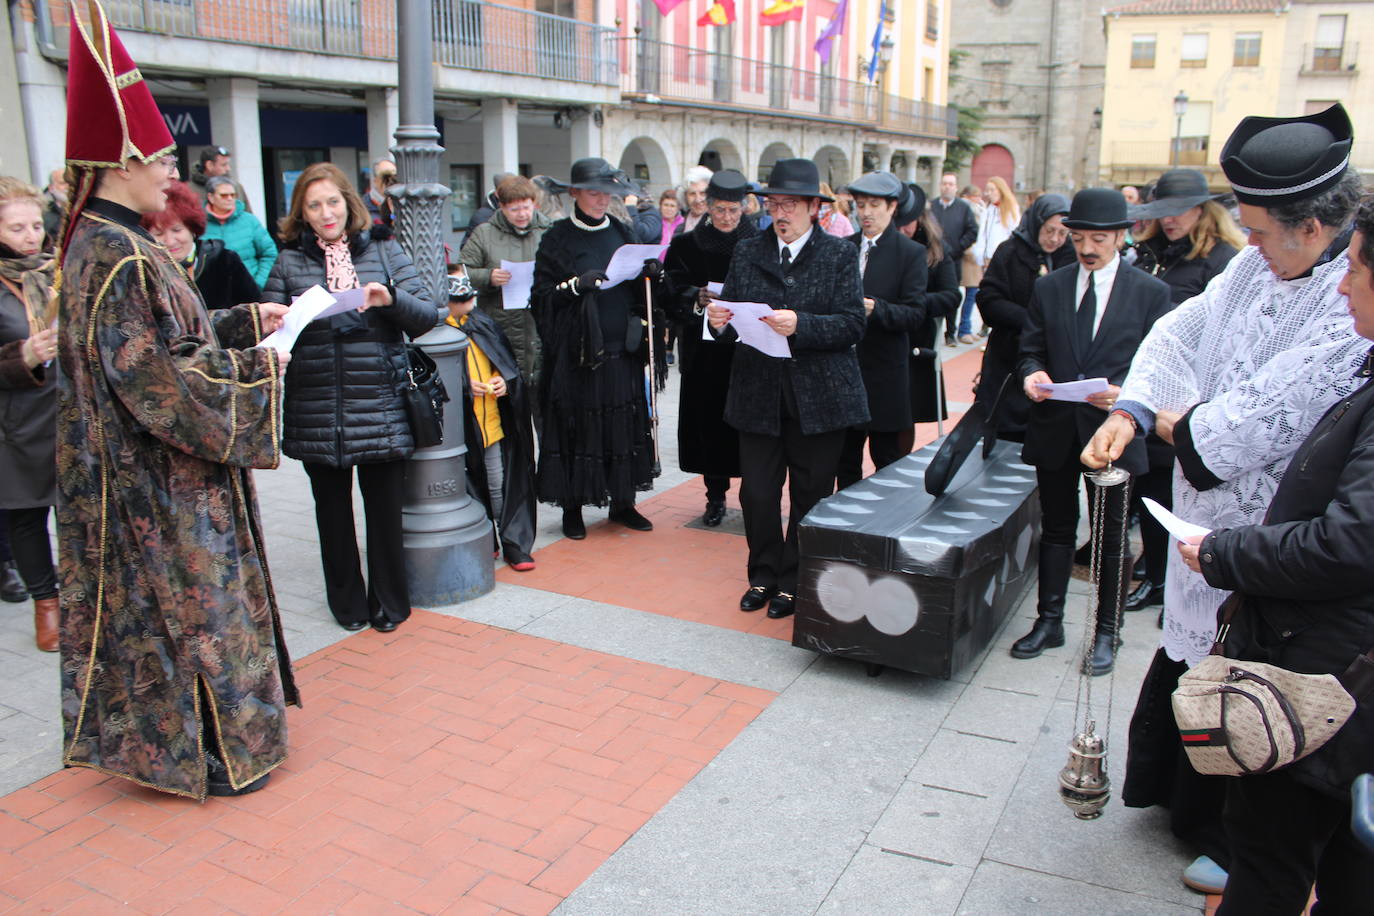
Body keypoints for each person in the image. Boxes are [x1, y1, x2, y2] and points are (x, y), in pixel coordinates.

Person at [1083, 103, 1369, 897]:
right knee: (1190, 660)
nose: (1250, 246)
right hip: (1205, 517)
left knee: (1252, 692)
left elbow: (1243, 428)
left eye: (1264, 232)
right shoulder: (1253, 262)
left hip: (1272, 541)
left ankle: (1233, 838)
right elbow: (1182, 330)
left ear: (1313, 229)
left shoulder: (1351, 305)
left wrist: (1174, 422)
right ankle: (1187, 809)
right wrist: (1132, 409)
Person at [56, 0, 294, 799]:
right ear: (119, 160)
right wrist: (264, 368)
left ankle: (210, 744)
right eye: (158, 156)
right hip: (163, 485)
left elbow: (166, 339)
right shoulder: (116, 252)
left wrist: (237, 320)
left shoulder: (112, 243)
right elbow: (157, 385)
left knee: (181, 619)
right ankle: (216, 753)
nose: (171, 170)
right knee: (194, 617)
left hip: (157, 476)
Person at [1173, 196, 1374, 914]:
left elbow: (1350, 541)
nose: (1343, 285)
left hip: (1328, 670)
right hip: (1338, 658)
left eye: (1354, 270)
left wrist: (1227, 553)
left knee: (1271, 858)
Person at [262, 161, 436, 632]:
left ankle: (390, 603)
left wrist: (389, 299)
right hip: (317, 404)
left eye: (332, 202)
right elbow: (272, 328)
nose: (325, 213)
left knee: (383, 515)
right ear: (301, 211)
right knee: (332, 516)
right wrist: (275, 319)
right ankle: (348, 604)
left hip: (378, 401)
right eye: (313, 205)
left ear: (349, 202)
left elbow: (427, 314)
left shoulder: (383, 249)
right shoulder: (288, 261)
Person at [1013, 188, 1173, 676]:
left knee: (1109, 537)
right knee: (1057, 530)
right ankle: (1050, 621)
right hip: (1055, 427)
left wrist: (1126, 396)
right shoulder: (1051, 286)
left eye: (1097, 239)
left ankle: (1108, 631)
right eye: (1077, 237)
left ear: (1121, 238)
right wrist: (1032, 375)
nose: (1085, 248)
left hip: (1113, 432)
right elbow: (1030, 348)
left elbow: (1163, 368)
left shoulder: (1151, 293)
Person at [706, 158, 867, 619]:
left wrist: (802, 325)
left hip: (820, 398)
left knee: (810, 493)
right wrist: (719, 322)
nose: (781, 212)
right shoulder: (748, 250)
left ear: (815, 207)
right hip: (758, 393)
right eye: (774, 203)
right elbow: (732, 313)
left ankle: (795, 581)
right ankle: (762, 574)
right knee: (756, 492)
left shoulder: (838, 254)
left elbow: (853, 325)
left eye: (791, 204)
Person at [1122, 170, 1244, 616]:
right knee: (1148, 491)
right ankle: (1156, 575)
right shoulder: (1151, 252)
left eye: (1179, 211)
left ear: (1202, 210)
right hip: (1145, 385)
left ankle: (1169, 580)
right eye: (1162, 213)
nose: (1170, 220)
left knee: (1173, 490)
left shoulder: (1224, 260)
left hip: (1192, 398)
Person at [531, 157, 660, 539]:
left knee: (621, 425)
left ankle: (623, 502)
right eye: (593, 192)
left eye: (608, 193)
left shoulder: (623, 230)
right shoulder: (556, 238)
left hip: (621, 350)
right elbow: (540, 298)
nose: (602, 199)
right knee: (577, 427)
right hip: (578, 356)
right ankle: (573, 508)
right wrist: (574, 286)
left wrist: (652, 275)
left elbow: (638, 289)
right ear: (574, 193)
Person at [661, 169, 757, 526]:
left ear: (744, 209)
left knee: (750, 428)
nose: (727, 218)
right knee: (709, 425)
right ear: (708, 207)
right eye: (720, 210)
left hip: (749, 351)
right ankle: (714, 497)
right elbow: (670, 292)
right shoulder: (687, 244)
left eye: (734, 211)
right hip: (705, 354)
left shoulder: (761, 243)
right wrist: (695, 298)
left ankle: (754, 495)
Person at [837, 171, 927, 488]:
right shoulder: (843, 248)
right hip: (844, 373)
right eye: (860, 205)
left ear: (892, 207)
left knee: (888, 464)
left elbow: (915, 314)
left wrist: (877, 309)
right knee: (844, 462)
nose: (866, 213)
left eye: (874, 205)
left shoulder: (910, 253)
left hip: (885, 375)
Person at [0, 177, 60, 651]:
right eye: (17, 227)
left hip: (67, 408)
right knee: (27, 515)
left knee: (77, 509)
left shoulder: (56, 270)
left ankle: (83, 599)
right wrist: (24, 355)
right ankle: (47, 604)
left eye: (36, 225)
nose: (30, 236)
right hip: (17, 417)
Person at [446, 267, 537, 571]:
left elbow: (504, 363)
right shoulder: (436, 331)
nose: (470, 301)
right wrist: (461, 387)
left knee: (499, 485)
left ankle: (512, 540)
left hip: (491, 425)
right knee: (470, 488)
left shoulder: (482, 323)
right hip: (460, 432)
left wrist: (503, 381)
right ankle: (487, 540)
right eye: (462, 298)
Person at [974, 193, 1073, 442]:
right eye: (1049, 230)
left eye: (1062, 234)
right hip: (1008, 356)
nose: (1054, 239)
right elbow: (988, 300)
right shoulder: (1009, 251)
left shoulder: (1070, 257)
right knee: (1003, 430)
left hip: (1052, 361)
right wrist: (1032, 319)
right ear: (1037, 223)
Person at [460, 175, 552, 399]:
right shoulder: (484, 233)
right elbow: (462, 272)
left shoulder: (548, 230)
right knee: (510, 401)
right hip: (501, 322)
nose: (521, 214)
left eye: (526, 208)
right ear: (501, 207)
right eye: (514, 209)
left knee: (542, 397)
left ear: (534, 204)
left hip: (539, 322)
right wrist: (488, 276)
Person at [901, 185, 961, 449]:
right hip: (880, 333)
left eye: (908, 222)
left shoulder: (936, 250)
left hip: (916, 336)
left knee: (905, 413)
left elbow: (951, 296)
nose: (902, 228)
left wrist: (915, 303)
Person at [141, 180, 260, 311]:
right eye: (159, 233)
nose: (170, 241)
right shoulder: (144, 270)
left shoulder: (225, 260)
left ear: (192, 229)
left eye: (177, 230)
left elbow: (255, 311)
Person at [962, 176, 1019, 343]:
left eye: (992, 190)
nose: (989, 193)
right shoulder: (989, 209)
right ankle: (987, 330)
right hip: (987, 259)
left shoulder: (1010, 209)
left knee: (1001, 296)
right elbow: (982, 235)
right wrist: (980, 256)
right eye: (988, 190)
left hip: (1003, 259)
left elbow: (1012, 235)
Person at [202, 176, 277, 286]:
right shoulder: (198, 223)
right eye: (224, 195)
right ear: (211, 197)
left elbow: (269, 253)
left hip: (249, 291)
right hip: (212, 294)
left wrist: (258, 283)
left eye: (233, 195)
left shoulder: (250, 221)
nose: (229, 198)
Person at [932, 172, 979, 345]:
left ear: (956, 187)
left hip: (953, 259)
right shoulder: (931, 206)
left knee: (951, 295)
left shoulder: (963, 208)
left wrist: (958, 247)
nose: (947, 187)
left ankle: (950, 333)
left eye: (951, 184)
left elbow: (972, 230)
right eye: (944, 183)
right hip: (932, 259)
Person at [189, 145, 249, 211]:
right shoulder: (189, 191)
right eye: (224, 165)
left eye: (232, 195)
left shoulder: (236, 187)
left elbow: (248, 216)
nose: (228, 169)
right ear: (209, 165)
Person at [678, 166, 712, 234]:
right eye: (692, 194)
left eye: (702, 193)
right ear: (685, 197)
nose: (698, 199)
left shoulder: (721, 225)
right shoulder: (679, 228)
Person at [364, 157, 396, 225]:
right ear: (375, 180)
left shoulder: (401, 203)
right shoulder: (363, 207)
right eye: (385, 176)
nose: (389, 180)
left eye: (394, 175)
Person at [42, 168, 68, 241]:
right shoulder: (43, 215)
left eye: (72, 182)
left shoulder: (88, 210)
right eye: (63, 183)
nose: (69, 186)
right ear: (51, 188)